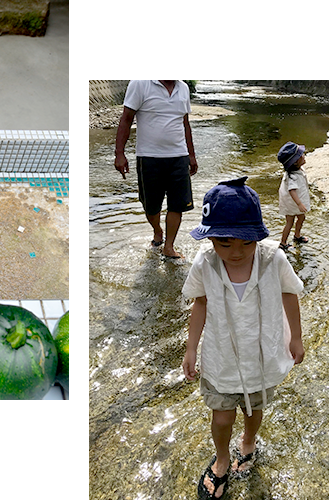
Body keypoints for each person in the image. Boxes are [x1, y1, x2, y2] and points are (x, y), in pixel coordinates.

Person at [181, 177, 305, 499]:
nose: (236, 252)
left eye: (246, 243)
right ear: (209, 238)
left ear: (258, 238)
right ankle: (222, 457)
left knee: (254, 409)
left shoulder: (273, 260)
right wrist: (191, 348)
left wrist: (296, 338)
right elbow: (201, 304)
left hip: (260, 355)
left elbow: (290, 294)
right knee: (221, 416)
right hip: (221, 357)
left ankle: (248, 441)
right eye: (224, 243)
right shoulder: (205, 264)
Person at [114, 78, 198, 259]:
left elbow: (185, 124)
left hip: (179, 157)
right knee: (151, 206)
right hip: (149, 157)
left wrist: (191, 155)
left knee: (178, 205)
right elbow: (126, 119)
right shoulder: (140, 83)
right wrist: (119, 153)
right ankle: (158, 230)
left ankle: (169, 246)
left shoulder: (183, 88)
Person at [277, 141, 311, 251]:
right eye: (301, 155)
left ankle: (297, 236)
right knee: (289, 222)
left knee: (301, 217)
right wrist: (299, 204)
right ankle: (283, 243)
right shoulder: (291, 176)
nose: (304, 155)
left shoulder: (298, 170)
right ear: (295, 162)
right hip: (292, 203)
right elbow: (292, 191)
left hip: (296, 201)